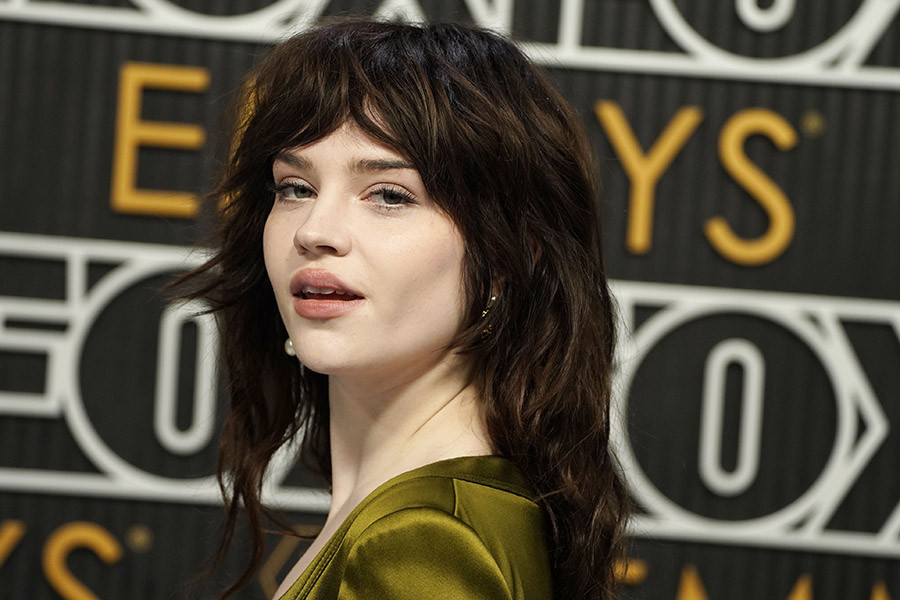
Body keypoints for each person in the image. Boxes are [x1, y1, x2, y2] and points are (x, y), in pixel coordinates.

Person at [177, 17, 629, 600]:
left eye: (389, 195)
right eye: (295, 187)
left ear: (507, 258)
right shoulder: (419, 511)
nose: (315, 231)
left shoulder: (425, 540)